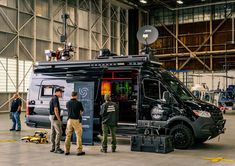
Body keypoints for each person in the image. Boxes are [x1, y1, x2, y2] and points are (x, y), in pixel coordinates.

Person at [64, 91, 85, 156]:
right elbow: (82, 112)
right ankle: (79, 151)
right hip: (76, 121)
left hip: (69, 120)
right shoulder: (79, 103)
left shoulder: (67, 103)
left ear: (71, 95)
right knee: (78, 136)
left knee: (68, 136)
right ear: (76, 96)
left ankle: (66, 151)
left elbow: (68, 110)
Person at [49, 87, 64, 154]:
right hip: (55, 117)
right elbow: (56, 109)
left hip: (51, 116)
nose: (61, 94)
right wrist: (59, 118)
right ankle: (57, 148)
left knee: (53, 132)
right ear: (57, 92)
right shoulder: (55, 98)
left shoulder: (53, 98)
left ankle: (53, 147)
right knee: (59, 132)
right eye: (61, 92)